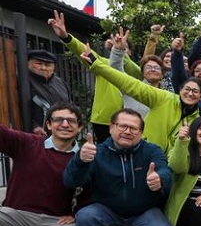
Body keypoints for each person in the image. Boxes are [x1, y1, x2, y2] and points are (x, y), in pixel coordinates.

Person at [63, 109, 173, 226]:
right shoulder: (95, 153)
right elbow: (70, 181)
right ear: (111, 128)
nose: (128, 131)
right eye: (123, 126)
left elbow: (165, 170)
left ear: (141, 133)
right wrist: (80, 161)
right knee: (86, 216)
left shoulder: (152, 150)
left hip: (142, 212)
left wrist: (160, 179)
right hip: (108, 212)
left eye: (134, 128)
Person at [0, 102, 84, 226]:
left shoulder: (83, 157)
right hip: (16, 217)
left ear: (79, 127)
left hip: (54, 222)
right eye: (58, 119)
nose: (65, 124)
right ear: (48, 125)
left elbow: (93, 191)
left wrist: (77, 214)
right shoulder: (28, 143)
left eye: (71, 120)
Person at [80, 41, 201, 155]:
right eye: (187, 89)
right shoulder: (163, 97)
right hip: (134, 147)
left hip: (162, 160)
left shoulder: (195, 118)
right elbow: (123, 80)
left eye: (195, 91)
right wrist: (98, 64)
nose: (190, 93)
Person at [48, 10, 142, 142]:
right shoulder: (103, 64)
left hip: (130, 121)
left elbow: (136, 71)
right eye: (116, 45)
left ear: (130, 53)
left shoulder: (135, 71)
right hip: (104, 121)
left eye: (123, 46)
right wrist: (66, 37)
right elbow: (84, 50)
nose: (118, 47)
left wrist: (119, 52)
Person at [27, 49, 71, 136]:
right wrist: (34, 126)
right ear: (29, 63)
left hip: (61, 133)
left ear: (53, 67)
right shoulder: (21, 81)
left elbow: (70, 106)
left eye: (47, 65)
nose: (43, 68)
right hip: (35, 134)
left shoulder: (60, 83)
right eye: (38, 64)